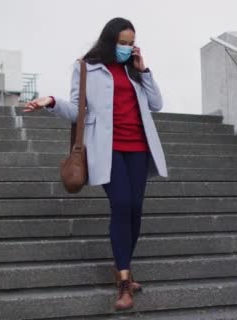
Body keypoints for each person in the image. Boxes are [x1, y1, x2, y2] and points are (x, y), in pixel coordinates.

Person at [24, 17, 168, 311]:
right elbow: (78, 110)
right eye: (122, 43)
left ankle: (123, 267)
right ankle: (124, 284)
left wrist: (144, 70)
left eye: (131, 44)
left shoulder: (134, 70)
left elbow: (156, 104)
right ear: (110, 40)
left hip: (138, 147)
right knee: (122, 204)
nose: (127, 48)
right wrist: (51, 101)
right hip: (108, 148)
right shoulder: (86, 68)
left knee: (136, 210)